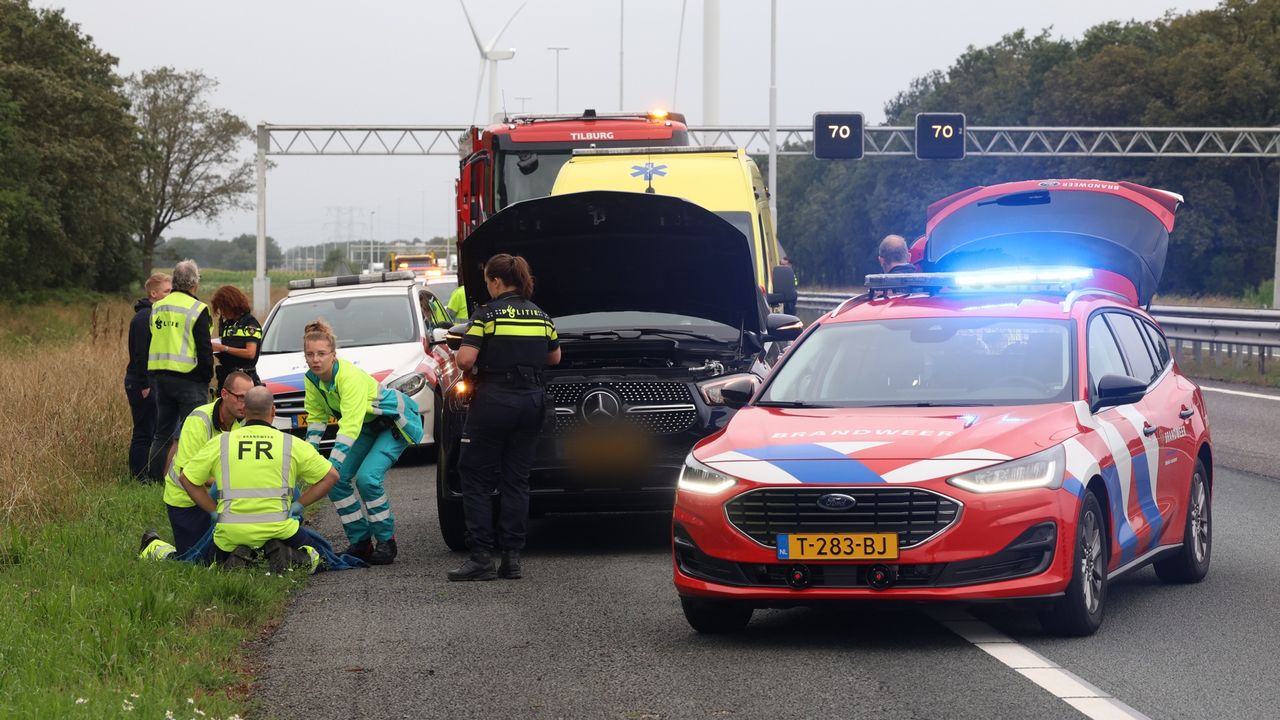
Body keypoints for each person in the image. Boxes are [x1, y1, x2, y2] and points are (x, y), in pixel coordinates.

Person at [447, 254, 560, 582]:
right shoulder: (540, 315)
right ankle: (512, 558)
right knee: (516, 479)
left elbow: (466, 360)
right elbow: (554, 357)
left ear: (496, 282)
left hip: (495, 402)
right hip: (532, 403)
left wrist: (461, 352)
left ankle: (481, 556)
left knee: (476, 475)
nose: (488, 287)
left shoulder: (486, 315)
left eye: (487, 282)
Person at [174, 386, 339, 572]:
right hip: (279, 528)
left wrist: (213, 512)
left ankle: (234, 558)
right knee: (325, 555)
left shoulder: (221, 442)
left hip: (231, 530)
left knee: (201, 560)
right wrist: (299, 504)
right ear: (274, 411)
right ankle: (290, 556)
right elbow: (331, 476)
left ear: (243, 411)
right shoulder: (290, 443)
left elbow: (186, 479)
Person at [302, 319, 423, 565]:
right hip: (368, 426)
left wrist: (331, 466)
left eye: (321, 354)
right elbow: (316, 419)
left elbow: (349, 426)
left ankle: (386, 541)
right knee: (336, 483)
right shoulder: (311, 379)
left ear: (333, 355)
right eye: (310, 354)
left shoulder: (348, 376)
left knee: (367, 479)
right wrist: (308, 458)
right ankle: (361, 541)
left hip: (393, 423)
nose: (315, 359)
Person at [159, 370, 253, 557]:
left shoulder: (238, 426)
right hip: (184, 499)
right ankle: (154, 547)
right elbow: (187, 474)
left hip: (215, 497)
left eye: (249, 399)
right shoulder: (199, 419)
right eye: (240, 397)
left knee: (224, 555)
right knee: (194, 560)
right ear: (224, 394)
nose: (245, 404)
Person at [147, 259, 214, 481]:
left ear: (174, 281)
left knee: (162, 433)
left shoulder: (157, 306)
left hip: (161, 378)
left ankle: (155, 479)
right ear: (195, 284)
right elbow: (205, 349)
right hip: (190, 380)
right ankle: (192, 480)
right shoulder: (197, 309)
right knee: (195, 433)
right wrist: (206, 377)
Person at [126, 272, 171, 479]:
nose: (170, 295)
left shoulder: (156, 314)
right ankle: (139, 475)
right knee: (144, 432)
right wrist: (145, 384)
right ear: (154, 293)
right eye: (166, 291)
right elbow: (140, 354)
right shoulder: (145, 317)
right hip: (141, 381)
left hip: (150, 380)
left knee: (152, 429)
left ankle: (149, 474)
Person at [210, 285, 262, 389]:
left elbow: (250, 353)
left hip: (244, 378)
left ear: (232, 305)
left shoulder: (250, 324)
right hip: (226, 377)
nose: (222, 313)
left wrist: (224, 348)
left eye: (223, 308)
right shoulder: (227, 324)